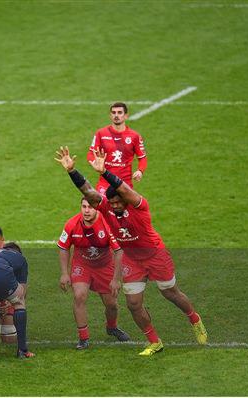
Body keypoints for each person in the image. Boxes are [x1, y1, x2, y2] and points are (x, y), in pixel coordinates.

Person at [55, 146, 208, 356]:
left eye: (119, 202)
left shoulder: (138, 205)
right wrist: (72, 171)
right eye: (113, 203)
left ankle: (194, 318)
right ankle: (154, 341)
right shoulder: (106, 208)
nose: (116, 206)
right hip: (132, 261)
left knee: (170, 293)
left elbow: (126, 189)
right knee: (134, 304)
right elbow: (88, 191)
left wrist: (104, 172)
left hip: (155, 254)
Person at [58, 197, 130, 349]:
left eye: (90, 207)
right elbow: (63, 247)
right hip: (82, 265)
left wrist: (116, 279)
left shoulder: (107, 224)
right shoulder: (71, 224)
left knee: (111, 305)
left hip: (105, 267)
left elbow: (119, 251)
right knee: (79, 296)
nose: (86, 210)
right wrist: (64, 273)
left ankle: (112, 327)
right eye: (83, 207)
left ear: (97, 208)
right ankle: (83, 338)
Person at [86, 102, 147, 194]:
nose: (116, 115)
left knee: (125, 209)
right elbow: (91, 153)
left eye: (119, 112)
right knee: (101, 208)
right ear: (110, 115)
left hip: (125, 184)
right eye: (113, 113)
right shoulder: (101, 133)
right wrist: (95, 163)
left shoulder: (134, 136)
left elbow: (142, 158)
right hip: (105, 183)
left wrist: (140, 171)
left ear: (126, 116)